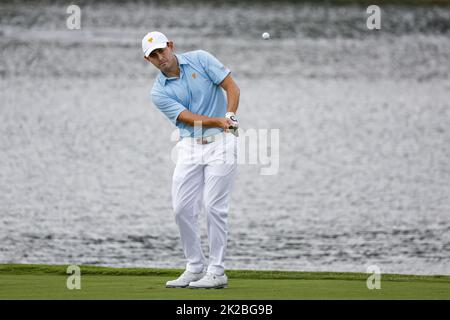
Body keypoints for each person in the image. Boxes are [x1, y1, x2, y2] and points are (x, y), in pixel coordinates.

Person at [142, 31, 240, 289]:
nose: (159, 57)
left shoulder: (200, 59)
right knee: (181, 208)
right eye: (153, 55)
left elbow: (231, 86)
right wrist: (218, 120)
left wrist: (228, 114)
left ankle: (217, 271)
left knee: (213, 207)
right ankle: (195, 266)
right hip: (189, 146)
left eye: (161, 50)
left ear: (170, 46)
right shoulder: (158, 92)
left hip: (222, 142)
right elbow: (187, 117)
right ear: (148, 59)